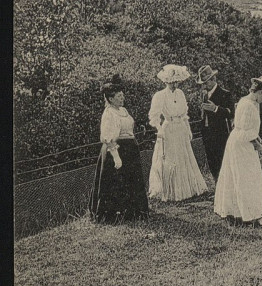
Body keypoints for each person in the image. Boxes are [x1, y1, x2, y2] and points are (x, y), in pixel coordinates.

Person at [213, 74, 262, 228]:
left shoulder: (250, 102)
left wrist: (256, 138)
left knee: (244, 177)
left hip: (241, 142)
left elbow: (248, 128)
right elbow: (243, 130)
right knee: (248, 177)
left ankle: (245, 213)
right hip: (241, 145)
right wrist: (256, 142)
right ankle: (253, 214)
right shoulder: (248, 105)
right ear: (260, 91)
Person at [90, 75, 149, 223]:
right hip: (115, 150)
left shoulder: (123, 110)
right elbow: (109, 137)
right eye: (118, 96)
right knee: (116, 181)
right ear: (110, 99)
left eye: (122, 95)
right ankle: (113, 215)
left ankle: (133, 212)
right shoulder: (109, 113)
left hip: (130, 150)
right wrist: (116, 157)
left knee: (131, 180)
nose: (122, 98)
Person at [148, 64, 208, 201]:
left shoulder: (180, 93)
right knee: (171, 157)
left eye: (176, 82)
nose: (174, 85)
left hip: (181, 128)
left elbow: (184, 114)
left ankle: (187, 189)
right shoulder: (160, 96)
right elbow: (154, 116)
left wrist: (188, 129)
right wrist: (159, 129)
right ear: (166, 81)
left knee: (184, 156)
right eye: (172, 82)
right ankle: (171, 191)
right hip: (169, 128)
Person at [196, 65, 233, 181]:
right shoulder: (203, 94)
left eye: (206, 82)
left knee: (222, 162)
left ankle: (225, 185)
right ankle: (217, 185)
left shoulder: (225, 94)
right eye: (203, 83)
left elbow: (230, 113)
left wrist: (215, 108)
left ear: (214, 79)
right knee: (212, 162)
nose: (204, 85)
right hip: (207, 135)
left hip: (220, 135)